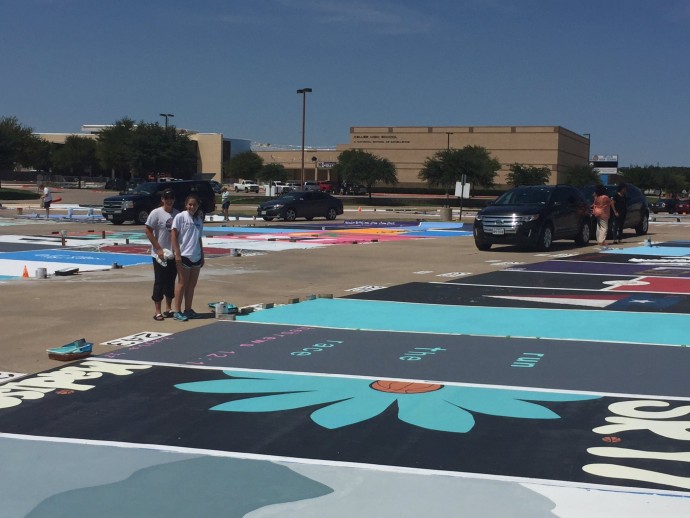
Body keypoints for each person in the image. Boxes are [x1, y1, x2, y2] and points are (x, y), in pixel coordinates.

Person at [144, 188, 179, 321]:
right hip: (159, 255)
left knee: (171, 281)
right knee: (160, 281)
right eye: (166, 198)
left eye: (171, 198)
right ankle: (157, 310)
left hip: (173, 253)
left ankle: (168, 308)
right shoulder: (156, 213)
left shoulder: (177, 214)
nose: (169, 200)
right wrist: (158, 248)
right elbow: (147, 230)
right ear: (162, 199)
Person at [171, 193, 205, 321]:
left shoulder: (198, 220)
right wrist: (177, 253)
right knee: (182, 283)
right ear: (186, 205)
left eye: (194, 205)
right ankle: (177, 311)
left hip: (196, 256)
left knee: (192, 285)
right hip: (184, 255)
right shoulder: (180, 217)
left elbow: (199, 238)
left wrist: (202, 255)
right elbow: (173, 235)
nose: (192, 207)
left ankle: (188, 309)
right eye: (190, 204)